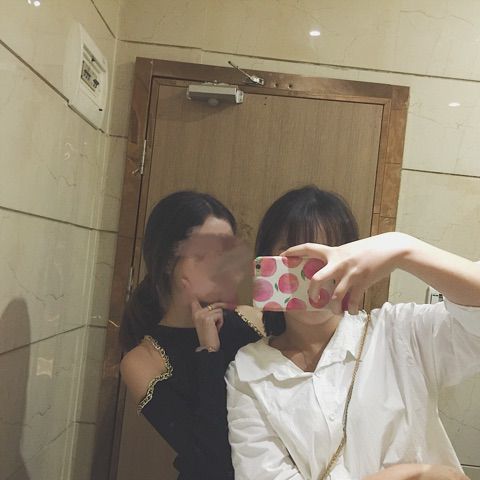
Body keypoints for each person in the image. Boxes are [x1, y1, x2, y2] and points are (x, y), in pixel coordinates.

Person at [226, 185, 479, 480]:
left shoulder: (401, 333)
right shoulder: (249, 370)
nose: (316, 274)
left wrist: (402, 249)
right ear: (267, 263)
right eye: (295, 255)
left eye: (328, 255)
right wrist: (411, 475)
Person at [120, 191, 264, 480]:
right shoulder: (144, 361)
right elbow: (212, 456)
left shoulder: (252, 318)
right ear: (167, 262)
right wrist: (209, 353)